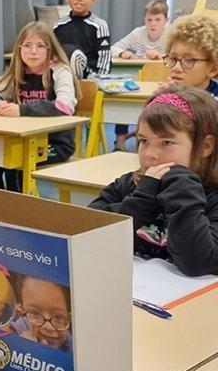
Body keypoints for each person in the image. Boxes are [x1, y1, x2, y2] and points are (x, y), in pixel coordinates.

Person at [89, 86, 218, 276]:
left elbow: (199, 264)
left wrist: (183, 191)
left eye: (167, 143)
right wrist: (140, 202)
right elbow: (87, 233)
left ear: (205, 147)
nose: (150, 154)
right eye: (143, 141)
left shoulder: (213, 197)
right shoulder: (131, 184)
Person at [0, 21, 80, 192]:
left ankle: (17, 212)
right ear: (19, 49)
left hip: (56, 144)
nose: (33, 51)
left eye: (41, 46)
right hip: (24, 140)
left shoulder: (59, 71)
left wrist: (22, 110)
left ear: (50, 49)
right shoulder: (18, 71)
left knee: (17, 161)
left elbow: (65, 106)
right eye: (27, 45)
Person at [111, 0, 170, 150]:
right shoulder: (138, 33)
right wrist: (124, 52)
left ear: (166, 20)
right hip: (137, 82)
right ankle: (120, 141)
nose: (153, 24)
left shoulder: (170, 35)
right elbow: (114, 47)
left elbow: (176, 58)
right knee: (122, 100)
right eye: (149, 20)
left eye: (158, 19)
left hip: (160, 84)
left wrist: (161, 56)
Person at [53, 0, 111, 79]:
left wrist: (99, 81)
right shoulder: (58, 25)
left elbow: (104, 58)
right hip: (63, 77)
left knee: (73, 52)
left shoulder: (100, 25)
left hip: (90, 79)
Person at [7, 275, 73, 354]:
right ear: (21, 310)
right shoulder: (10, 334)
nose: (48, 327)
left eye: (58, 317)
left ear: (70, 318)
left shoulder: (73, 346)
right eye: (35, 313)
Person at [159, 13, 218, 99]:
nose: (176, 68)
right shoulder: (168, 96)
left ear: (213, 69)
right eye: (173, 58)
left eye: (189, 60)